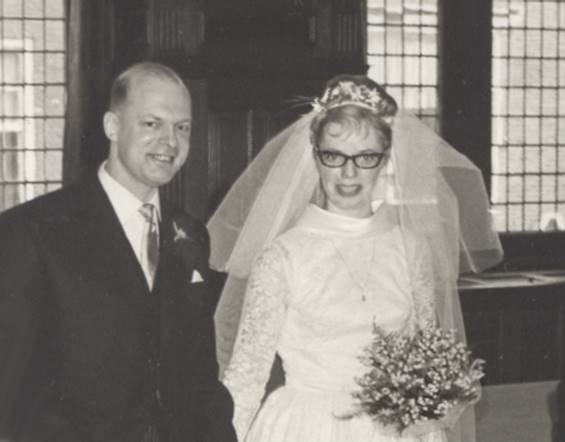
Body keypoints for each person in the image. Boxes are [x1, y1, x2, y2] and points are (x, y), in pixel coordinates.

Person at [207, 75, 503, 442]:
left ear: (384, 160)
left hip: (396, 430)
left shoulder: (411, 251)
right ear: (316, 158)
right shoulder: (283, 256)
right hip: (306, 426)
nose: (349, 172)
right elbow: (247, 377)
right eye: (334, 156)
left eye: (365, 157)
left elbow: (429, 355)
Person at [0, 62, 236, 442]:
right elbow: (7, 386)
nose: (170, 142)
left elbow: (200, 378)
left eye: (182, 127)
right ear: (112, 126)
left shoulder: (191, 236)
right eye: (151, 124)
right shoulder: (33, 232)